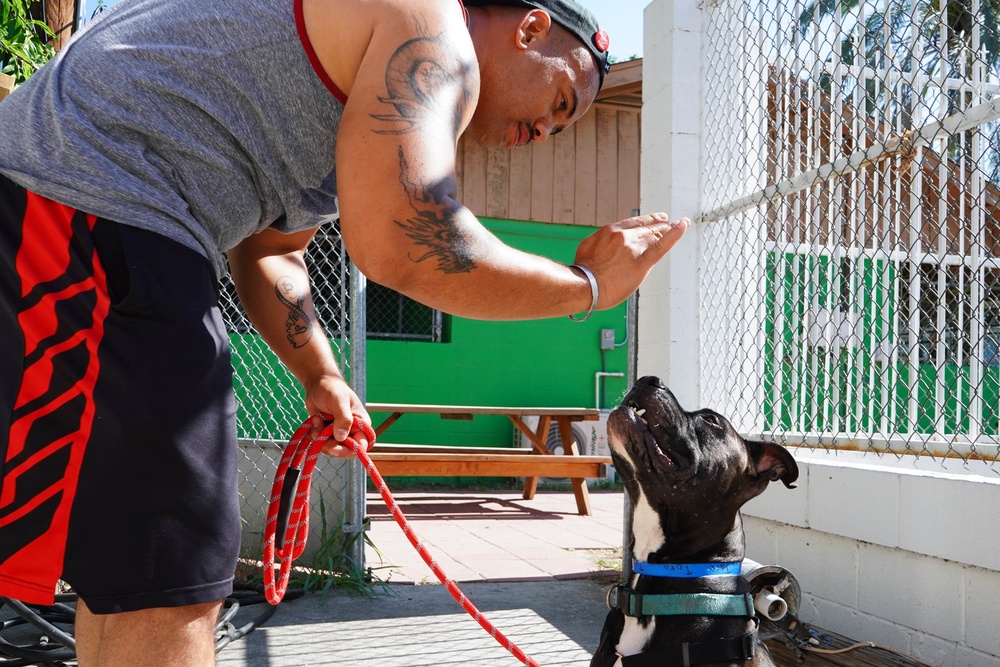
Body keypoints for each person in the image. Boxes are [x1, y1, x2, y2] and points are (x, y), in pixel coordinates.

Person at [0, 0, 688, 663]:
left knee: (155, 563)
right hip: (84, 207)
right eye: (561, 103)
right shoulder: (433, 27)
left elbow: (270, 251)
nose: (545, 131)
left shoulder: (347, 95)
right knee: (167, 572)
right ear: (531, 27)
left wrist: (321, 374)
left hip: (98, 213)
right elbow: (407, 239)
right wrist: (589, 286)